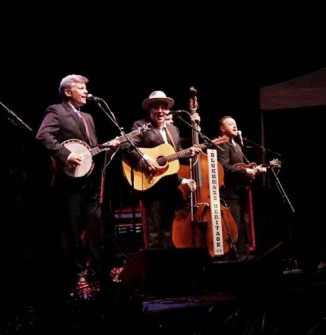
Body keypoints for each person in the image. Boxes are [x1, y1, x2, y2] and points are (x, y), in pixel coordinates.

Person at [35, 74, 118, 288]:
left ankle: (97, 271)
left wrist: (108, 148)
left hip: (89, 179)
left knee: (95, 226)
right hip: (68, 180)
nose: (85, 92)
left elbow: (92, 148)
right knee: (72, 227)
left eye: (85, 88)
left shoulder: (88, 117)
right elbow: (43, 136)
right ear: (67, 92)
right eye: (80, 88)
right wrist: (65, 154)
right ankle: (77, 273)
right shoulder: (57, 111)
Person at [123, 91, 200, 250]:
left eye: (163, 107)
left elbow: (175, 157)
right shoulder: (141, 126)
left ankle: (165, 267)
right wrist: (144, 158)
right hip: (151, 185)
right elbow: (126, 146)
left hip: (169, 186)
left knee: (167, 230)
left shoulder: (174, 130)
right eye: (155, 107)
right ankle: (152, 270)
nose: (160, 111)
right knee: (154, 231)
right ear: (149, 110)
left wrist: (189, 153)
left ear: (168, 110)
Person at [217, 116, 259, 260]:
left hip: (239, 192)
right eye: (230, 124)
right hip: (228, 193)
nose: (235, 126)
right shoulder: (222, 144)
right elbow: (225, 167)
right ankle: (235, 258)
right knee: (234, 227)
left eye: (235, 124)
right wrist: (245, 171)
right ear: (222, 129)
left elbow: (241, 167)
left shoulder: (237, 146)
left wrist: (252, 170)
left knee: (243, 225)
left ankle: (244, 256)